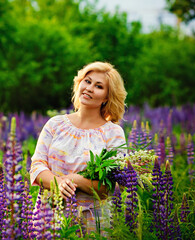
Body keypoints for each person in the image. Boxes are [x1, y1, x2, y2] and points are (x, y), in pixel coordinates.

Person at [29, 61, 127, 233]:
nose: (89, 88)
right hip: (49, 217)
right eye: (87, 81)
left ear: (107, 97)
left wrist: (76, 180)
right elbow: (36, 166)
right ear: (79, 83)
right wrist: (57, 182)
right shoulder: (55, 124)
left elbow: (112, 186)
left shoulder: (113, 133)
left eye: (98, 86)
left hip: (93, 222)